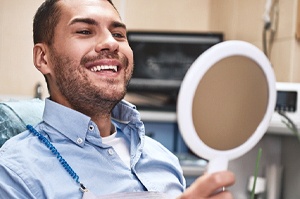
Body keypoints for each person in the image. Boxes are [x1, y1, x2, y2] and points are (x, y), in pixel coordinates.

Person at [0, 0, 235, 198]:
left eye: (119, 34)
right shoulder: (14, 173)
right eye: (84, 31)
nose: (111, 43)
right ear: (43, 58)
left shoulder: (164, 159)